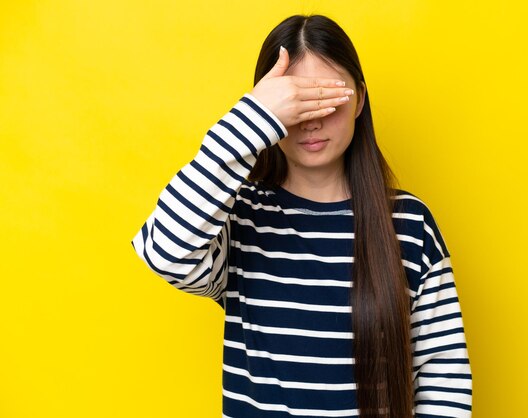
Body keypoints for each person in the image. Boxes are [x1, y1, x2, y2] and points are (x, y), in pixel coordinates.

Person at [131, 14, 472, 418]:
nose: (311, 119)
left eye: (327, 97)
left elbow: (443, 380)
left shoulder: (410, 224)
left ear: (360, 99)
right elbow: (165, 252)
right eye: (296, 101)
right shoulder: (241, 218)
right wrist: (254, 116)